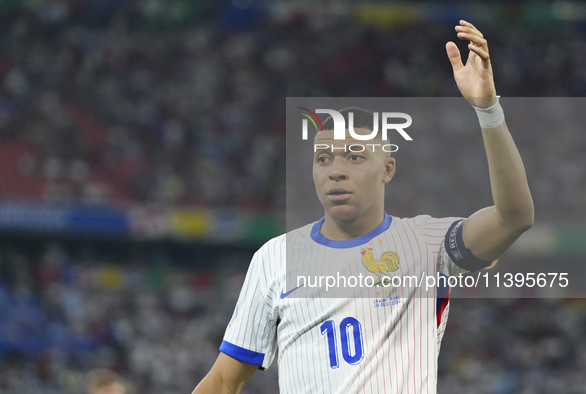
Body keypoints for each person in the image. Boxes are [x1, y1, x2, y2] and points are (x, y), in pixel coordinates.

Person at [192, 20, 534, 394]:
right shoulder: (274, 258)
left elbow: (513, 217)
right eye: (323, 159)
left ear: (387, 169)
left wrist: (488, 110)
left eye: (354, 157)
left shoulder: (427, 243)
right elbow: (224, 381)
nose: (335, 171)